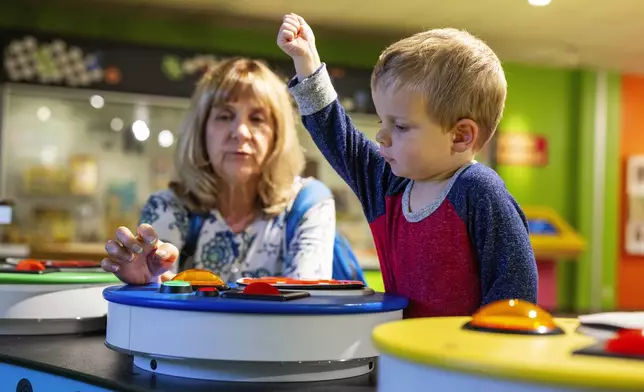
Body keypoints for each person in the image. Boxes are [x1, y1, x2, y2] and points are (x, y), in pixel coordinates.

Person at [277, 14, 538, 318]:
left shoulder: (479, 191)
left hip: (463, 360)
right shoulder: (388, 184)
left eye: (400, 126)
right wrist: (308, 65)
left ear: (460, 136)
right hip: (402, 355)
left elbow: (515, 289)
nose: (381, 136)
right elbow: (339, 138)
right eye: (381, 121)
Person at [101, 58, 336, 285]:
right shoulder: (168, 206)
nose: (241, 131)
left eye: (257, 118)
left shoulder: (308, 203)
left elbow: (308, 301)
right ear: (201, 132)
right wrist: (147, 283)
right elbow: (156, 296)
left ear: (278, 136)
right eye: (224, 116)